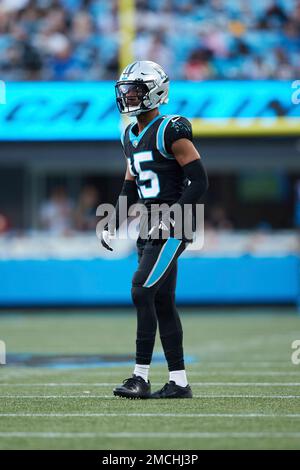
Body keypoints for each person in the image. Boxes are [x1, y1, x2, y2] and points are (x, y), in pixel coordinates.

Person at [101, 60, 208, 399]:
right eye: (126, 90)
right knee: (161, 301)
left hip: (173, 222)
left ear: (156, 92)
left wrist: (173, 215)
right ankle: (178, 382)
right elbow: (130, 185)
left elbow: (199, 180)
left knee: (141, 290)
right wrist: (113, 221)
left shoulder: (170, 129)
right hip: (149, 222)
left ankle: (140, 377)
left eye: (135, 90)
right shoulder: (128, 135)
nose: (129, 96)